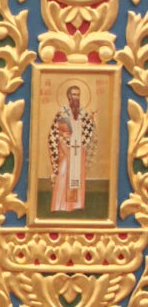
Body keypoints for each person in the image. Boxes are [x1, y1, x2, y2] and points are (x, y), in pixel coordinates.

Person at [48, 82, 96, 214]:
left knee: (78, 175)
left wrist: (92, 120)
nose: (76, 97)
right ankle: (60, 205)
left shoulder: (82, 112)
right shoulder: (63, 112)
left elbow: (88, 128)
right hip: (65, 150)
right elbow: (59, 133)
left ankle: (77, 204)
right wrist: (66, 145)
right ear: (69, 96)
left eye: (78, 95)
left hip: (79, 149)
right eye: (74, 94)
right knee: (64, 174)